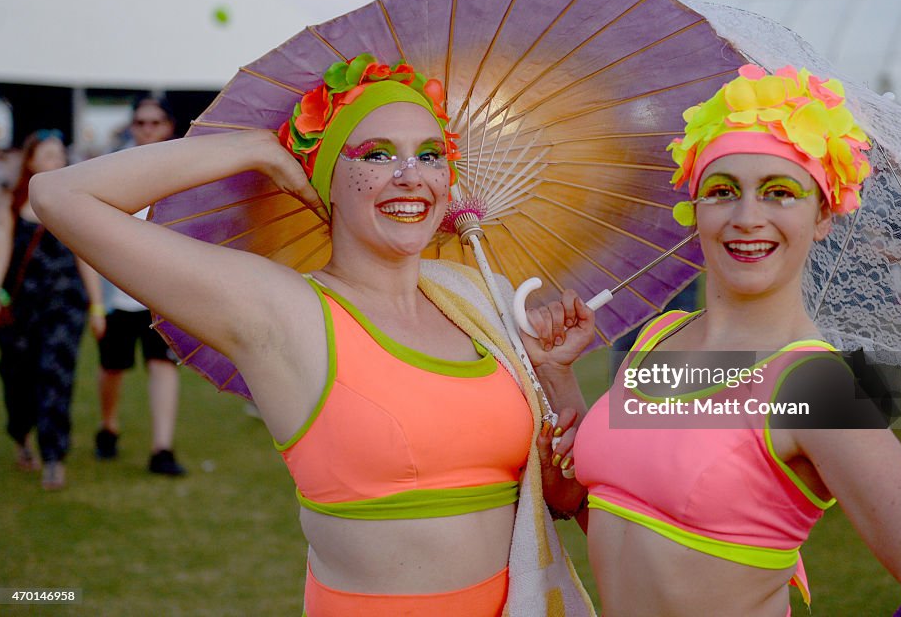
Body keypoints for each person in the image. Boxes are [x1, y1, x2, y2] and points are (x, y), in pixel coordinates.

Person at [30, 55, 593, 616]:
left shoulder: (479, 300)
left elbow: (566, 495)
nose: (410, 175)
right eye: (376, 155)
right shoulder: (283, 313)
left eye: (430, 155)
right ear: (322, 176)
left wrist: (556, 377)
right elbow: (60, 196)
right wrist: (251, 149)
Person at [527, 65, 901, 616]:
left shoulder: (815, 385)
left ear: (823, 214)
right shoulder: (663, 335)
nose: (747, 217)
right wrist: (558, 378)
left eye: (779, 193)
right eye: (723, 191)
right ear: (695, 208)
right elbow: (635, 515)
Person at [0, 129, 105, 490]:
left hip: (64, 307)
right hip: (21, 308)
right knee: (18, 378)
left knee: (56, 375)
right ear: (30, 160)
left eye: (59, 154)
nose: (55, 161)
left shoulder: (71, 204)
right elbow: (3, 251)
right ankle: (22, 434)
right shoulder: (12, 203)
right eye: (47, 154)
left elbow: (85, 256)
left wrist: (98, 306)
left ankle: (54, 456)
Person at [93, 96, 185, 475]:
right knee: (113, 368)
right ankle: (108, 424)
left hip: (162, 292)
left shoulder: (183, 169)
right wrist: (97, 302)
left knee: (162, 365)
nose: (147, 129)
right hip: (118, 290)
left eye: (155, 122)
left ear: (169, 126)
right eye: (140, 122)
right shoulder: (110, 166)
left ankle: (161, 449)